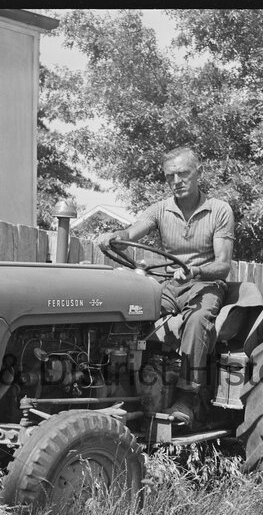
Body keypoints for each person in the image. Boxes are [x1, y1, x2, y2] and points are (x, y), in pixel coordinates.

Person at [95, 146, 234, 424]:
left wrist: (194, 270)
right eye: (170, 176)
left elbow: (223, 264)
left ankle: (187, 398)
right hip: (169, 285)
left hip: (205, 285)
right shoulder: (160, 209)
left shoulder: (219, 210)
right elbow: (134, 229)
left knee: (198, 321)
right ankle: (121, 387)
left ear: (199, 173)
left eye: (183, 173)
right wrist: (117, 235)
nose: (177, 181)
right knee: (133, 313)